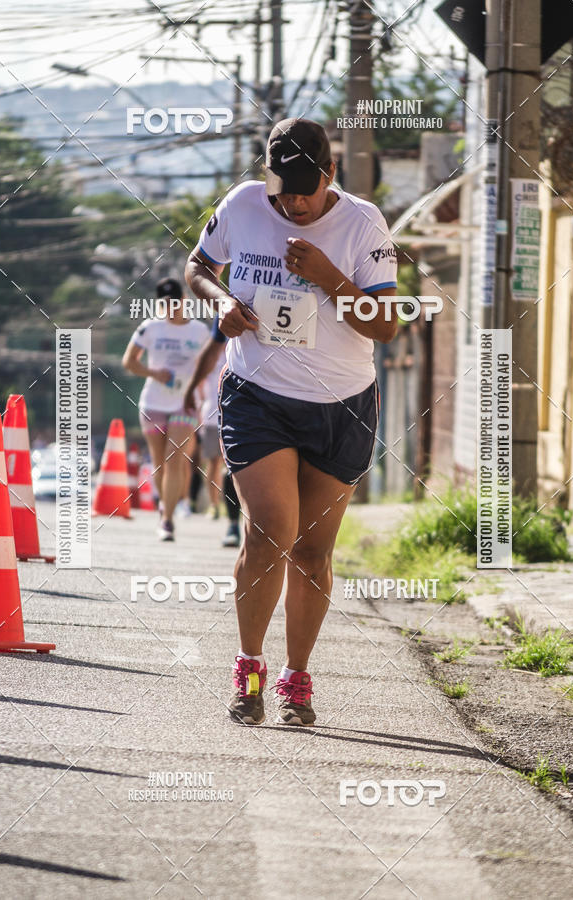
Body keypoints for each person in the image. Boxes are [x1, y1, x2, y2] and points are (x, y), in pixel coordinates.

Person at [185, 118, 397, 726]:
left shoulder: (362, 223)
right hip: (258, 394)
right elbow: (197, 266)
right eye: (284, 191)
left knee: (311, 551)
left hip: (342, 404)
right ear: (268, 179)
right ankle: (248, 665)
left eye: (306, 190)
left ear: (329, 176)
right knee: (270, 532)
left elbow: (384, 325)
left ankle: (296, 675)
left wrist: (330, 278)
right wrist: (221, 303)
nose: (294, 203)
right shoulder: (245, 204)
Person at [122, 278, 208, 541]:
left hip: (185, 403)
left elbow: (209, 364)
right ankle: (164, 509)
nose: (171, 308)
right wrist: (153, 373)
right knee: (159, 462)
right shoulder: (150, 328)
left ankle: (168, 520)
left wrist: (202, 392)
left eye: (175, 302)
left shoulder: (199, 331)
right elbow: (129, 362)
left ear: (184, 300)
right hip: (154, 404)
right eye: (165, 303)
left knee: (174, 458)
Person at [184, 316, 242, 547]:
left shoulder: (238, 351)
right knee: (214, 464)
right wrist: (196, 404)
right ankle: (214, 505)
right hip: (211, 416)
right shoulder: (209, 356)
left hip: (238, 414)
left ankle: (235, 517)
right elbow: (199, 386)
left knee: (232, 467)